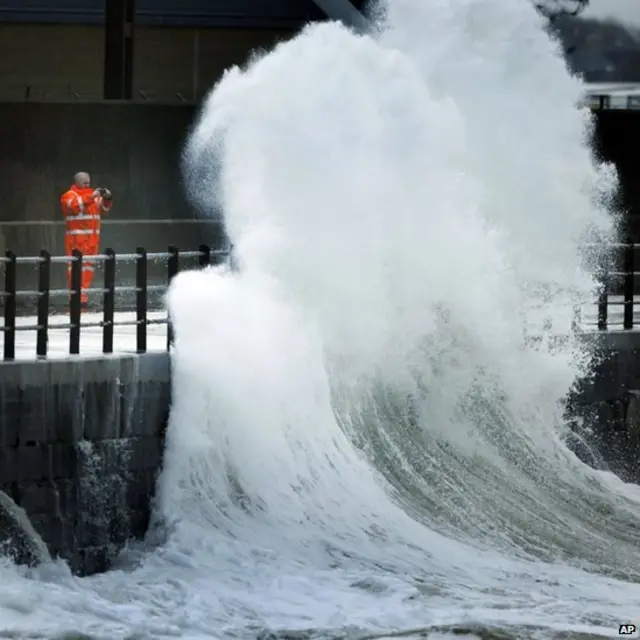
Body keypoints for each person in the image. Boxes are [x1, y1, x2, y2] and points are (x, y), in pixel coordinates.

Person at [59, 172, 113, 306]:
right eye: (85, 182)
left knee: (87, 272)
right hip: (76, 242)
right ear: (76, 182)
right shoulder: (68, 196)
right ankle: (75, 299)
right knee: (76, 271)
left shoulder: (93, 197)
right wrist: (92, 195)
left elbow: (104, 209)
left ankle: (82, 299)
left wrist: (107, 197)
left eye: (89, 182)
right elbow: (75, 207)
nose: (88, 184)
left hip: (92, 242)